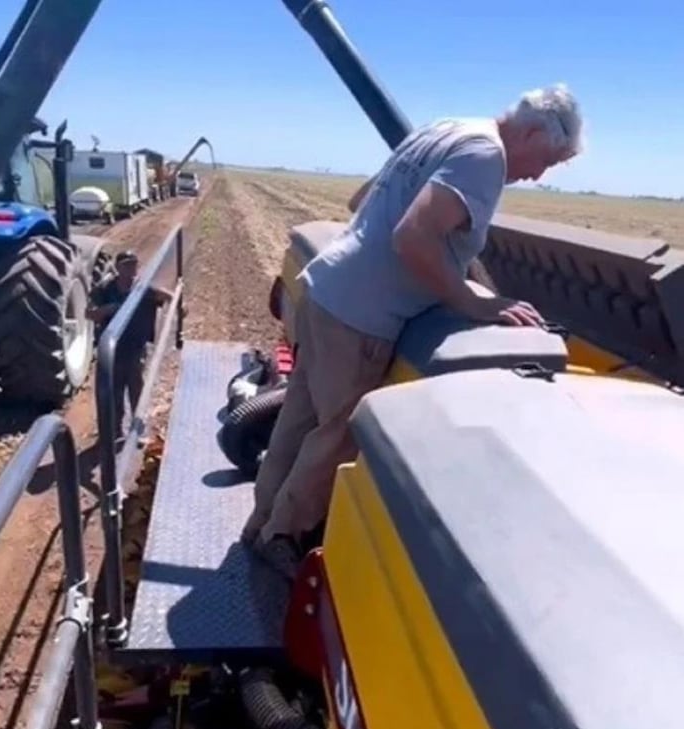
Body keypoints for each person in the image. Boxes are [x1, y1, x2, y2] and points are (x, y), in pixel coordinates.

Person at [242, 84, 584, 580]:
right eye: (546, 160)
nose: (537, 175)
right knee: (338, 434)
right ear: (531, 131)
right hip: (361, 316)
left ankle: (258, 526)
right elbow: (413, 235)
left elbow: (362, 199)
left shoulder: (448, 127)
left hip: (328, 287)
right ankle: (284, 537)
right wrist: (469, 300)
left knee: (299, 419)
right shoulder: (485, 156)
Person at [88, 249, 174, 436]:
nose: (131, 268)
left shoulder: (142, 289)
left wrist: (179, 305)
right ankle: (115, 431)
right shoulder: (105, 289)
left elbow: (167, 296)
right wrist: (108, 310)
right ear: (118, 268)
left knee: (137, 390)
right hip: (113, 351)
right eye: (127, 265)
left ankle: (137, 431)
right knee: (114, 393)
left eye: (134, 264)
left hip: (135, 349)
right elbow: (90, 313)